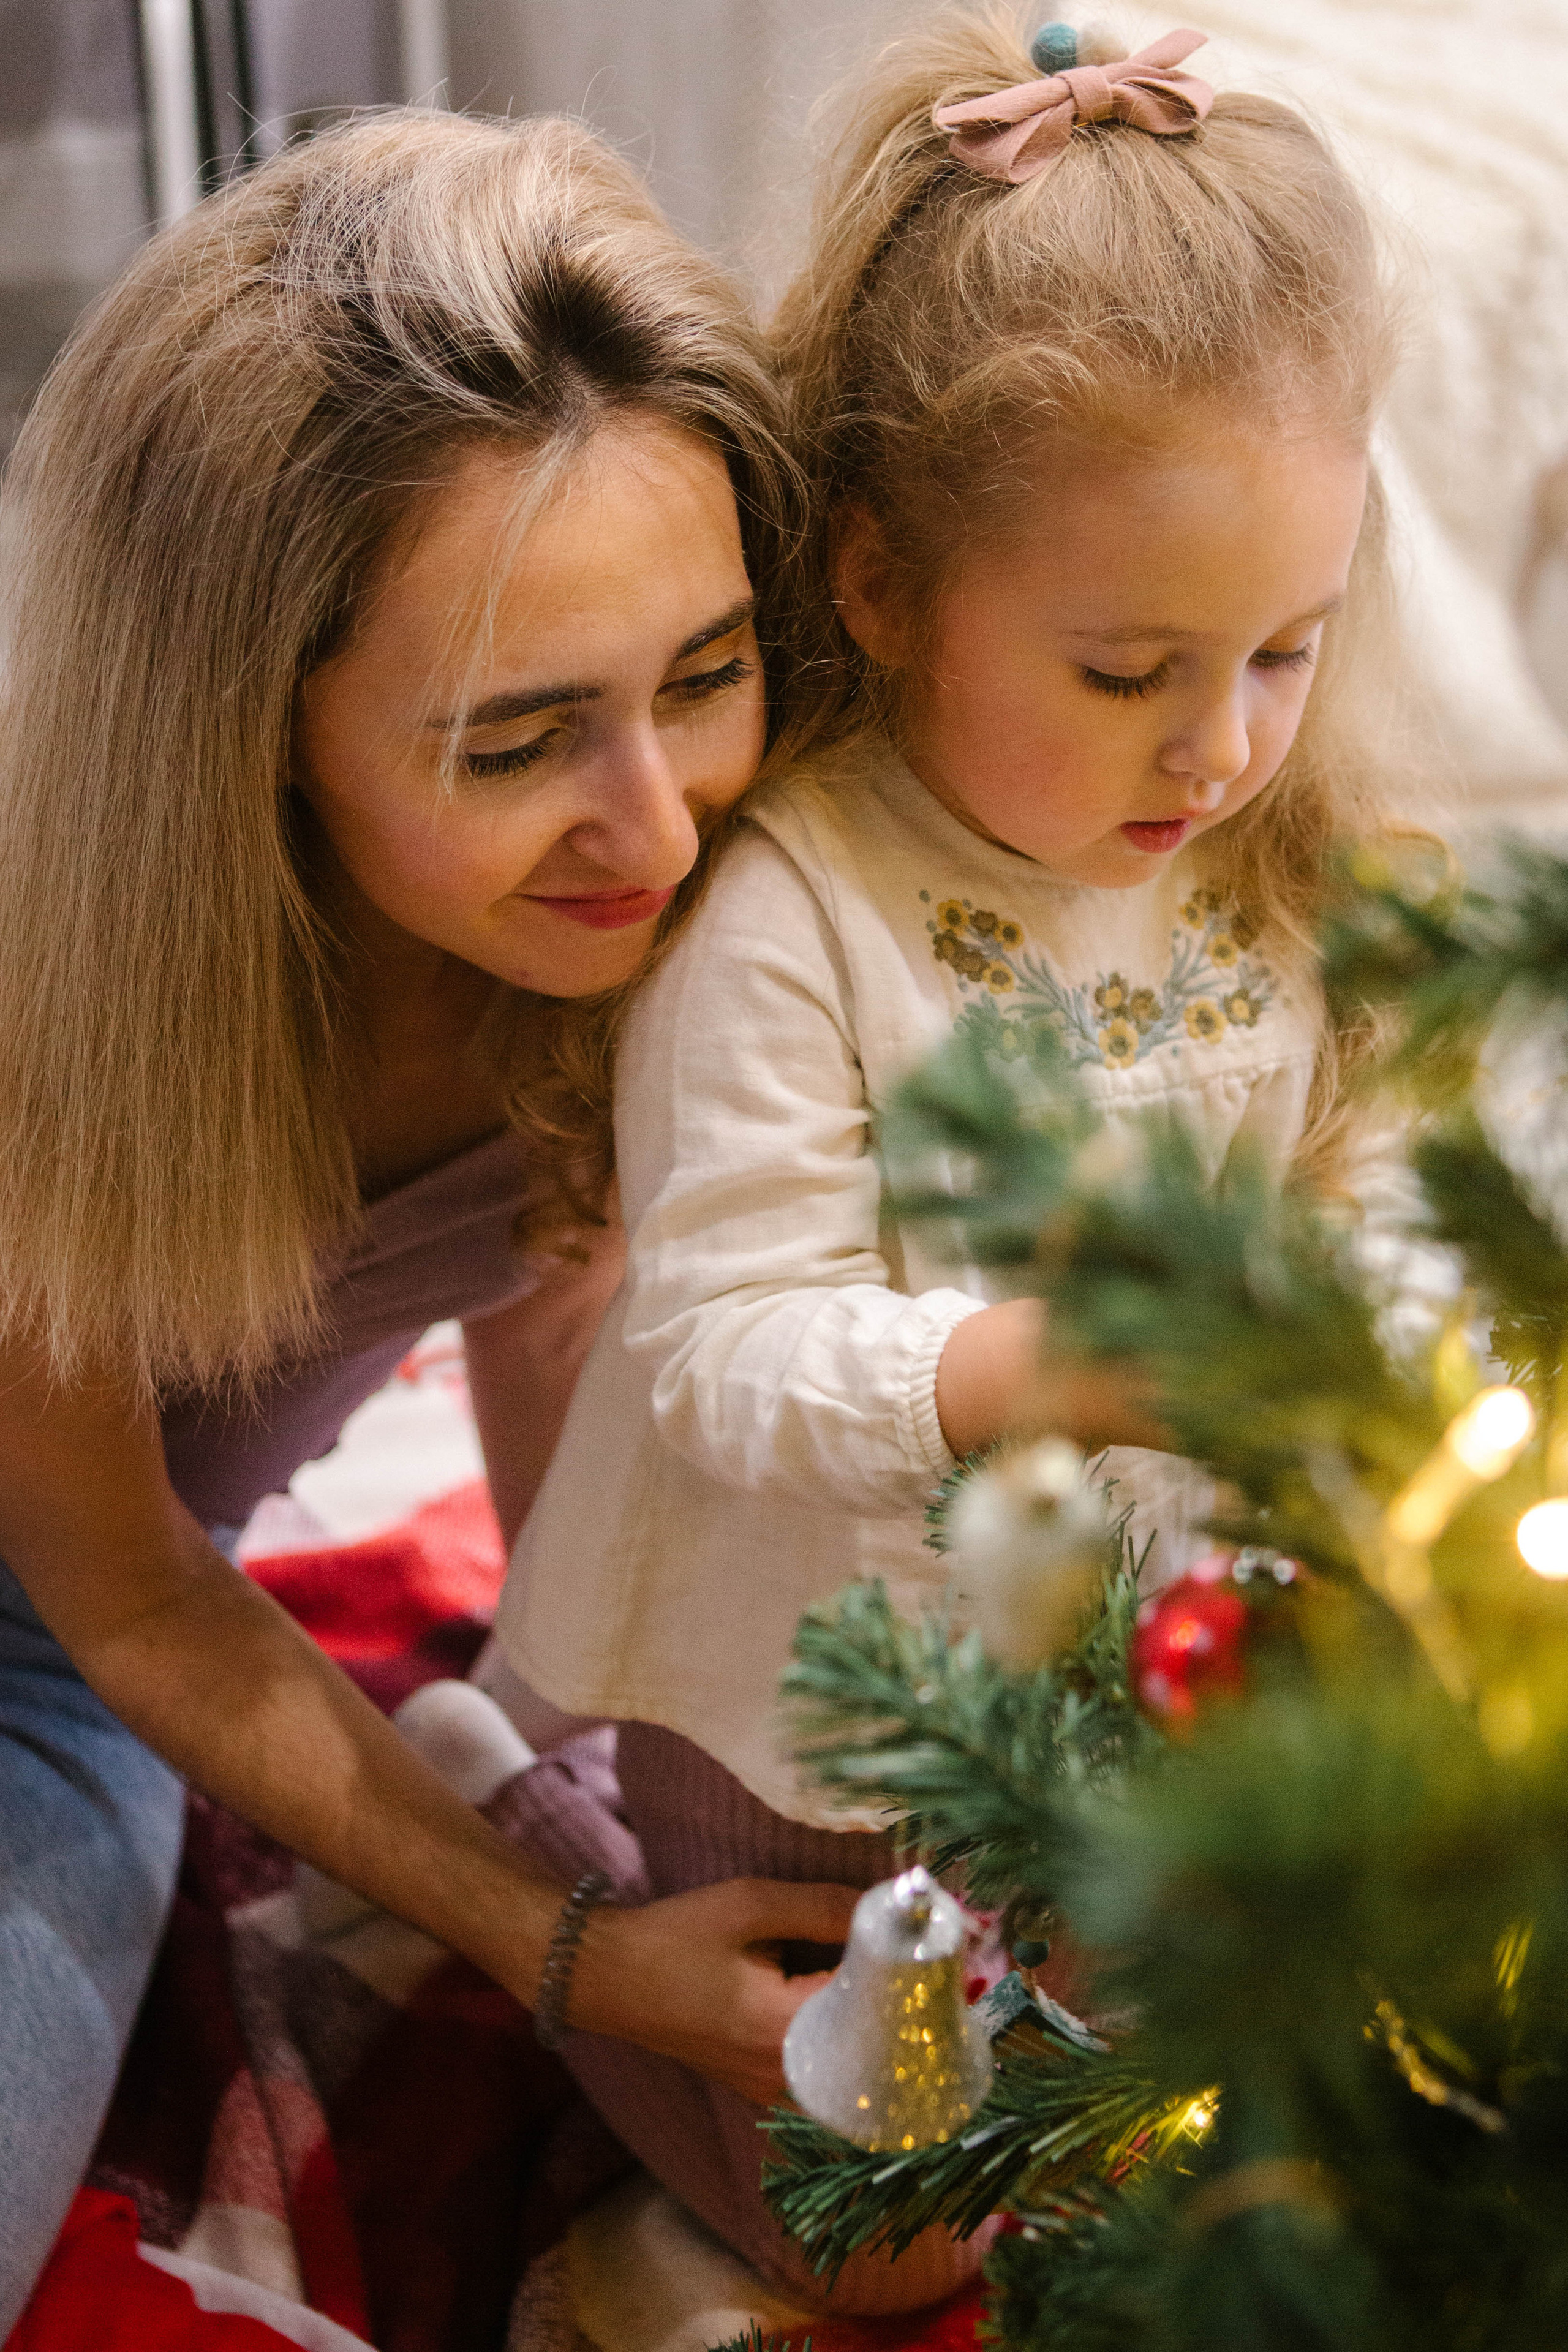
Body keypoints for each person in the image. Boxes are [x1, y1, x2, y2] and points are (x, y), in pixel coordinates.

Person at [492, 9, 1409, 2316]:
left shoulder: (1263, 873)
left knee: (1174, 2119)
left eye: (1285, 651)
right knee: (884, 2258)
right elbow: (717, 1346)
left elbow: (1355, 1194)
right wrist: (1029, 1367)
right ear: (886, 583)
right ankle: (513, 1811)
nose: (1219, 747)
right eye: (1128, 671)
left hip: (1129, 1674)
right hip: (817, 1709)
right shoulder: (794, 909)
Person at [0, 105, 865, 2334]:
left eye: (705, 674)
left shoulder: (660, 930)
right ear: (246, 731)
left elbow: (561, 1312)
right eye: (517, 741)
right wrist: (564, 1944)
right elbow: (130, 1589)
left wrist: (616, 1773)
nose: (655, 829)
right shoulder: (47, 1002)